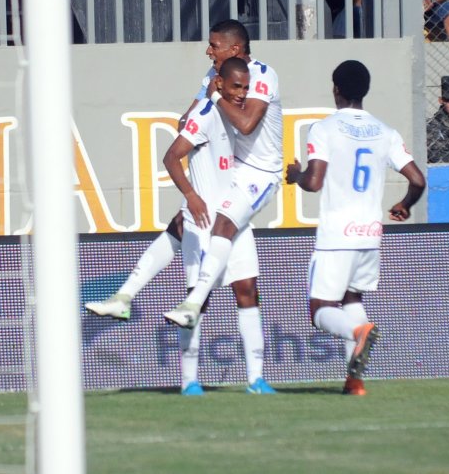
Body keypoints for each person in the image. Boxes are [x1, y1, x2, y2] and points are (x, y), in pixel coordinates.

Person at [285, 60, 425, 396]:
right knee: (351, 298)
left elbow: (315, 182)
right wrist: (405, 205)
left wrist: (296, 176)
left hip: (337, 234)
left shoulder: (325, 129)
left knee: (320, 311)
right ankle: (355, 382)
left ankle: (359, 331)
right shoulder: (384, 131)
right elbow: (418, 179)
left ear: (335, 89)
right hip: (370, 235)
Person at [162, 57, 275, 396]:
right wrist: (191, 196)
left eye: (246, 87)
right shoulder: (208, 113)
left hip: (234, 215)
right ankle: (189, 381)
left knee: (247, 290)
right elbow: (172, 155)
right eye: (236, 87)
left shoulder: (240, 116)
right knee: (199, 298)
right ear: (220, 84)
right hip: (203, 220)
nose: (242, 93)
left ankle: (256, 379)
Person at [164, 21, 283, 329]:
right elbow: (186, 122)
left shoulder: (263, 76)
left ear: (235, 49)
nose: (208, 50)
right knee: (181, 223)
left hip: (260, 172)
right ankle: (128, 292)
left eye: (214, 45)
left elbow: (246, 125)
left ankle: (194, 301)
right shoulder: (214, 76)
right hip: (229, 170)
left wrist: (215, 98)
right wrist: (208, 97)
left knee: (223, 222)